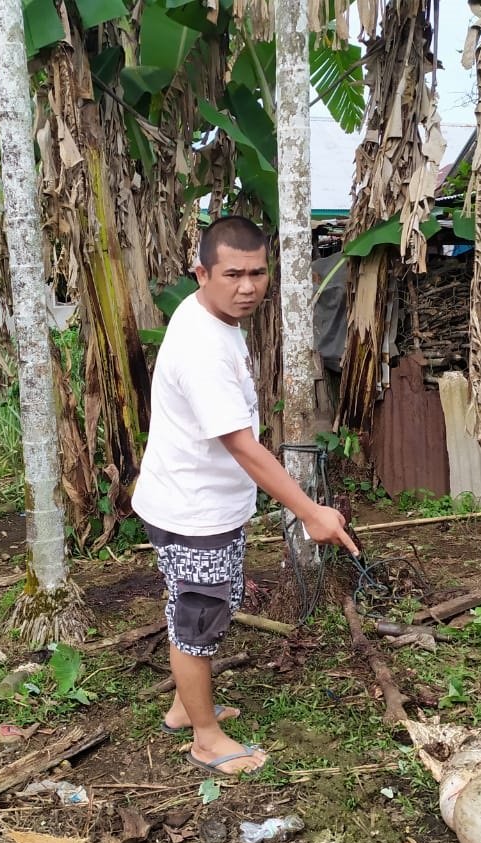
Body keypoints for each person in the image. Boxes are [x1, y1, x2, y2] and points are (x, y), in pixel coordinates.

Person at [132, 216, 359, 776]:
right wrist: (310, 513)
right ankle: (206, 738)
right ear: (201, 272)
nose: (248, 287)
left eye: (258, 273)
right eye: (232, 274)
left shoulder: (210, 317)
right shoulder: (203, 349)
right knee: (199, 616)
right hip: (193, 510)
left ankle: (188, 708)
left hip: (193, 499)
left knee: (202, 604)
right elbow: (245, 447)